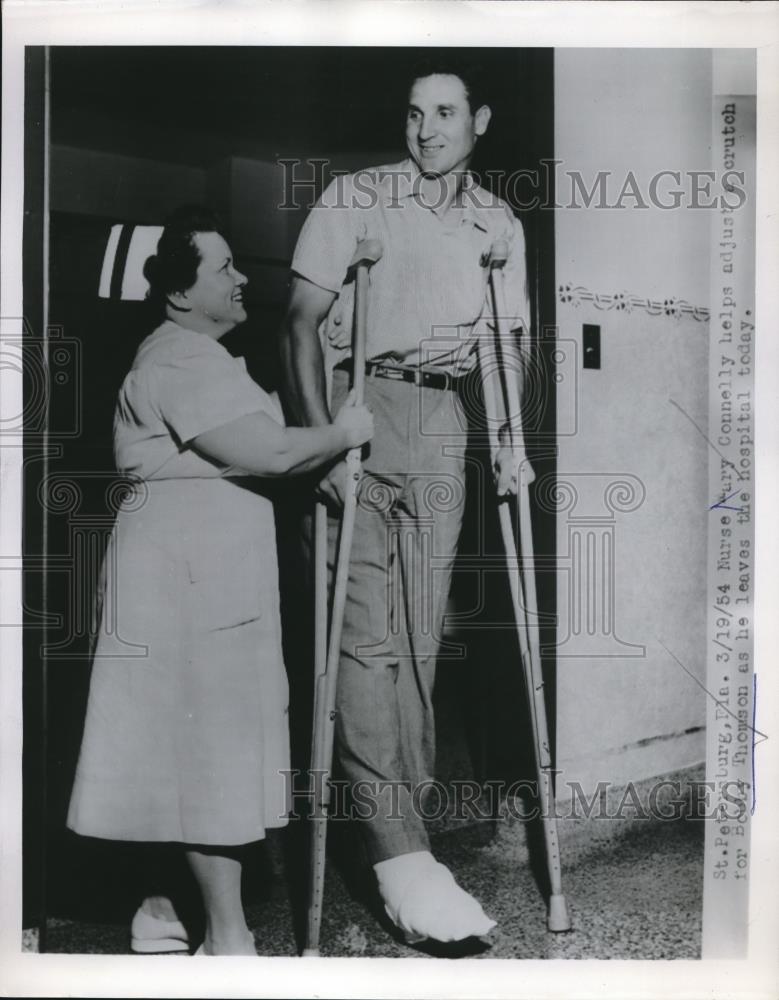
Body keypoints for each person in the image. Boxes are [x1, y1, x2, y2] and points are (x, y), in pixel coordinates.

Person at [67, 206, 373, 956]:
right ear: (179, 295)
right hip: (189, 584)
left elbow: (271, 455)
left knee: (170, 749)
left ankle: (159, 909)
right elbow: (266, 452)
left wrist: (321, 464)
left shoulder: (196, 358)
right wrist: (343, 432)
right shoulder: (180, 361)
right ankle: (229, 941)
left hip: (189, 575)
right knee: (206, 757)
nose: (243, 280)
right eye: (224, 268)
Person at [280, 59, 530, 944]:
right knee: (363, 644)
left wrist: (509, 442)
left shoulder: (495, 223)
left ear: (479, 121)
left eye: (445, 113)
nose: (425, 129)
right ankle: (399, 858)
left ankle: (407, 836)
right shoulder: (355, 197)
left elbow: (507, 348)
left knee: (420, 642)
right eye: (414, 113)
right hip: (360, 405)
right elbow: (299, 325)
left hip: (443, 421)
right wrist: (323, 446)